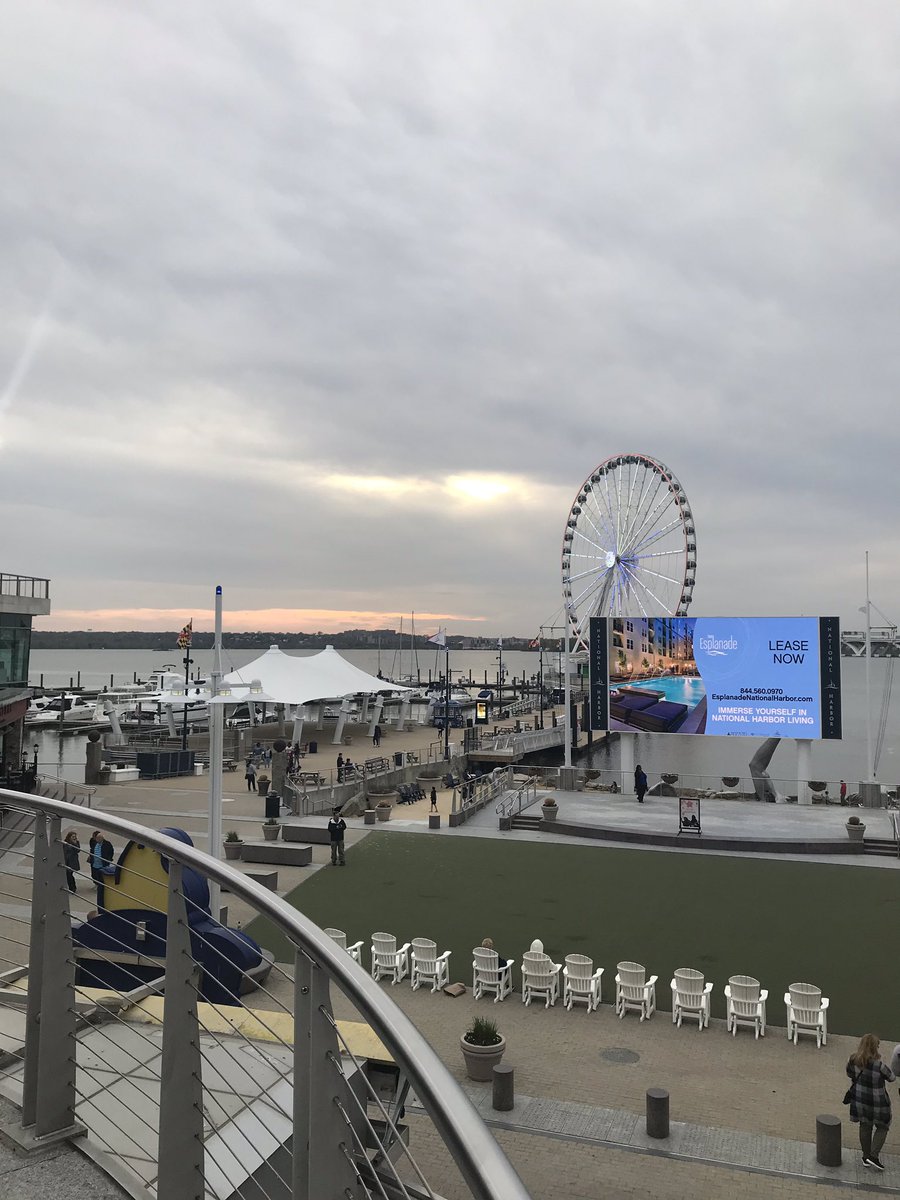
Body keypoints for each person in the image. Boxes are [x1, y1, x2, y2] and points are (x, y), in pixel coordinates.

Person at [847, 1033, 894, 1169]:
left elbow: (849, 1073)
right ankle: (873, 1156)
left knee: (865, 1125)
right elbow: (892, 1078)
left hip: (860, 1100)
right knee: (883, 1126)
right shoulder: (879, 1066)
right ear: (875, 1048)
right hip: (879, 1103)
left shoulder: (853, 1060)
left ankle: (865, 1156)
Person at [88, 831, 115, 908]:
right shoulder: (94, 842)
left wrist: (109, 859)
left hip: (103, 863)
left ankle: (101, 885)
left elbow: (111, 851)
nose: (97, 839)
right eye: (97, 838)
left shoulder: (107, 844)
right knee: (94, 874)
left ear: (102, 838)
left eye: (99, 838)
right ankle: (96, 884)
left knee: (102, 875)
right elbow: (91, 849)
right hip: (95, 863)